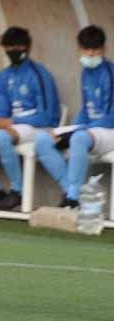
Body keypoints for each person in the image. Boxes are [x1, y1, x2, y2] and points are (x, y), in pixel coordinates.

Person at [0, 27, 60, 210]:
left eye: (17, 47)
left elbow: (47, 117)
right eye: (8, 47)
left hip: (39, 127)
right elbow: (3, 112)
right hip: (14, 126)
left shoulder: (39, 74)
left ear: (27, 48)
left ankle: (17, 191)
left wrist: (10, 123)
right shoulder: (5, 75)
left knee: (1, 136)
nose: (12, 52)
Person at [34, 25, 114, 207]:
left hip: (109, 130)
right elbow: (86, 109)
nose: (90, 55)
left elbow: (110, 118)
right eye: (87, 50)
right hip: (91, 130)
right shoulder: (86, 72)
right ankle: (71, 191)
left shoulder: (110, 73)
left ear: (103, 49)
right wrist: (68, 129)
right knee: (43, 140)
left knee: (78, 138)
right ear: (80, 49)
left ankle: (72, 197)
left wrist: (76, 131)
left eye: (95, 50)